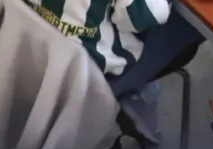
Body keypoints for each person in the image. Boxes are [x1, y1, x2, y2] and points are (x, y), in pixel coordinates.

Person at [32, 0, 203, 141]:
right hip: (94, 74)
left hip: (40, 51)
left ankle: (141, 94)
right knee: (192, 23)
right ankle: (134, 93)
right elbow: (144, 16)